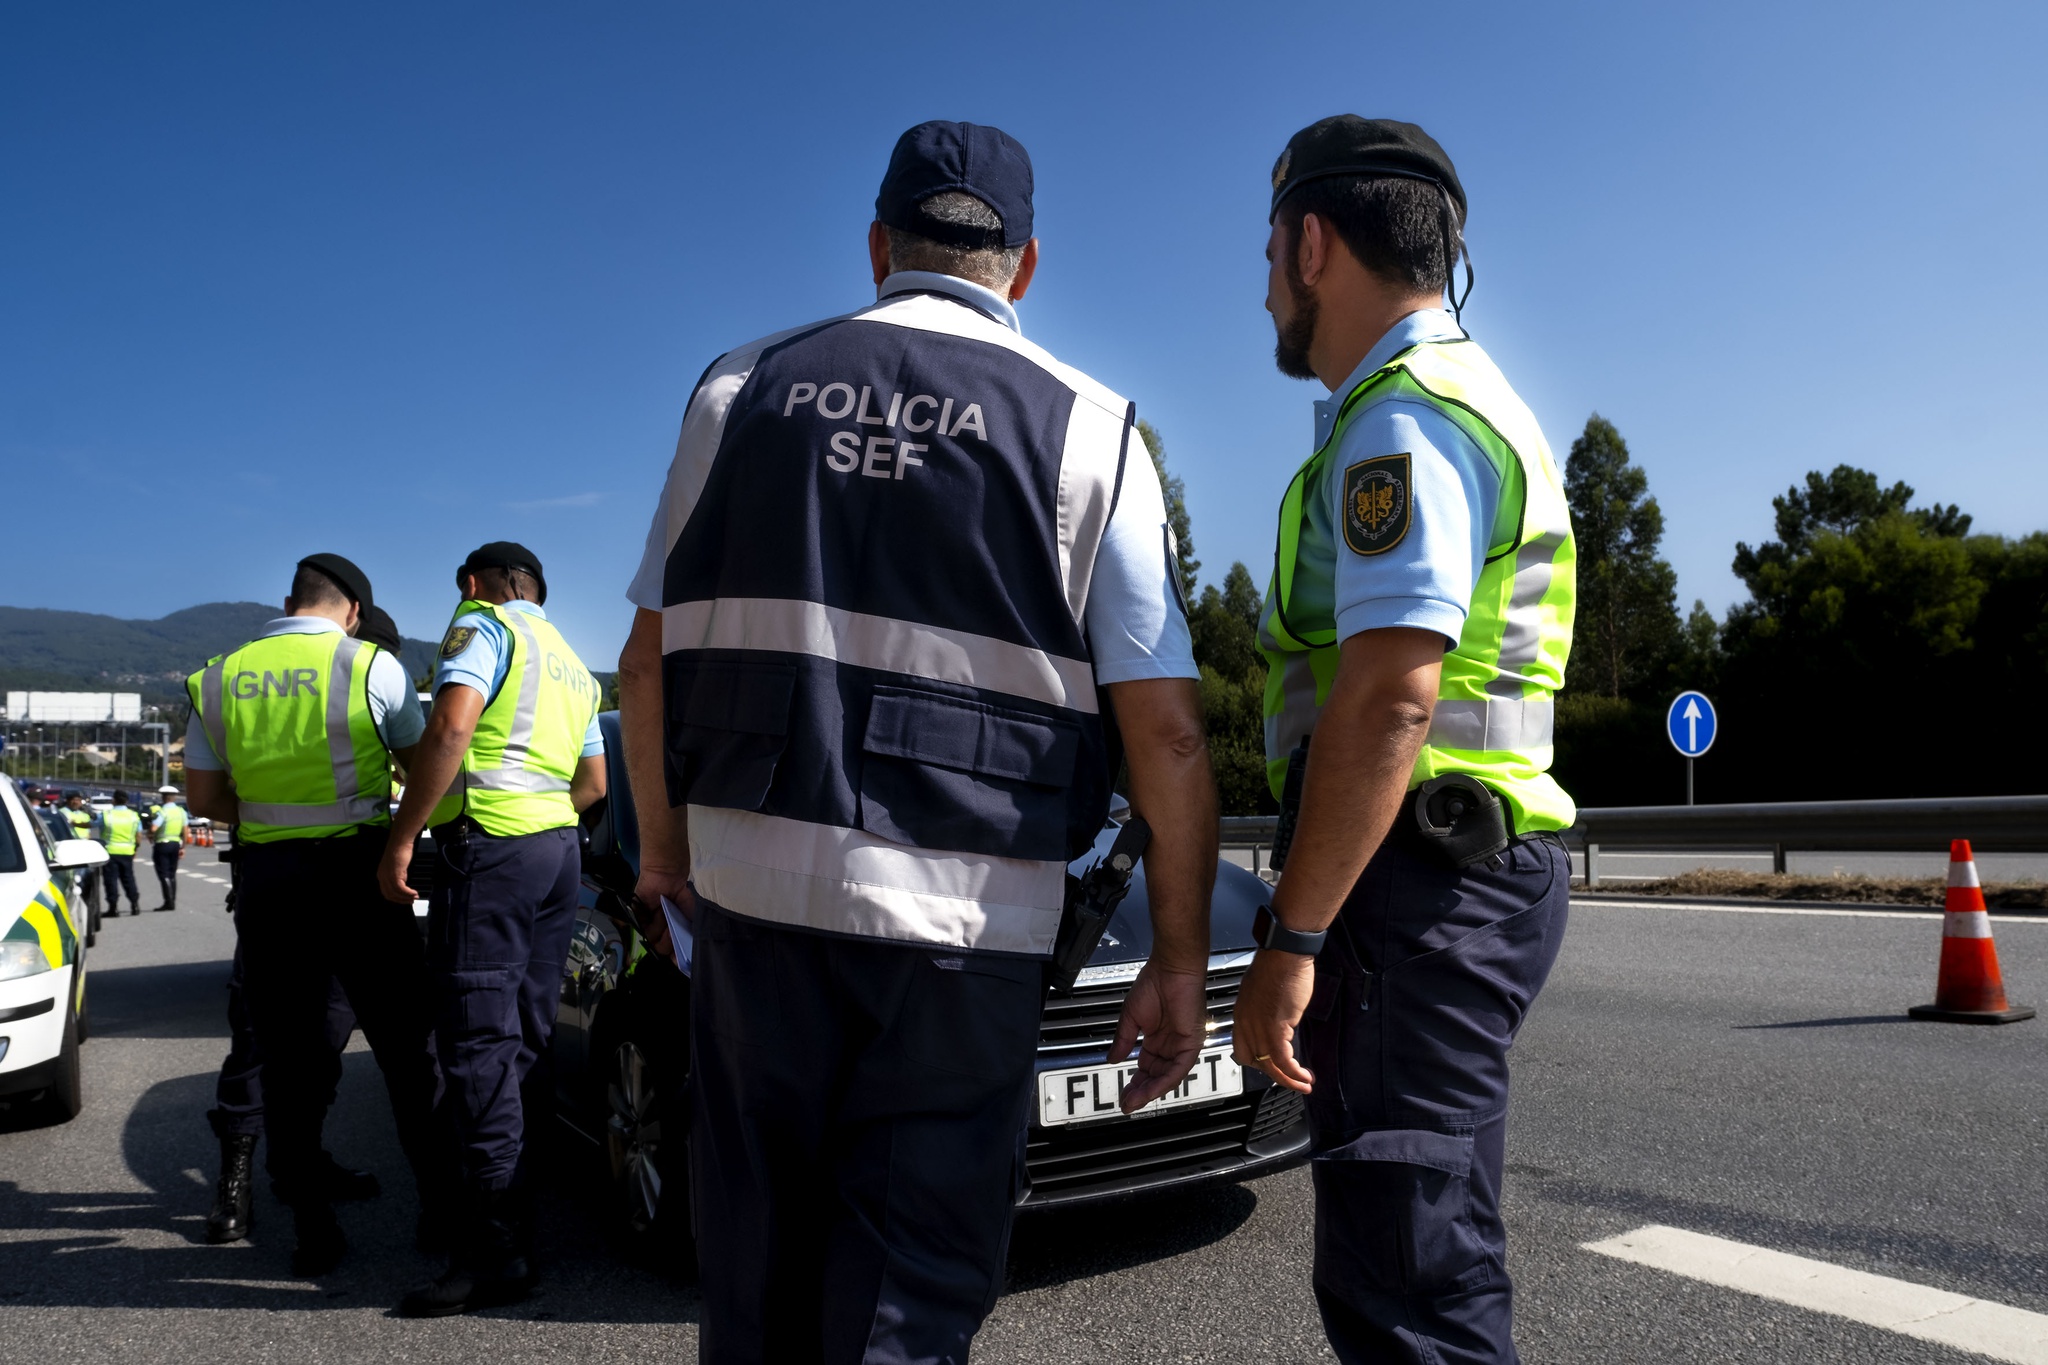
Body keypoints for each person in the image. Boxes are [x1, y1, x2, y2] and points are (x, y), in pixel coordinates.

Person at [616, 120, 1220, 1364]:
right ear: (1026, 263)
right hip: (967, 922)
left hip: (753, 902)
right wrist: (1173, 949)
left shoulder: (737, 387)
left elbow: (644, 664)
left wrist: (666, 853)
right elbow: (1161, 731)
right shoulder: (1091, 427)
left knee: (756, 1281)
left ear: (880, 243)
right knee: (904, 1299)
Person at [1227, 117, 1578, 1365]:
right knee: (1418, 1248)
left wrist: (1293, 935)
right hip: (1460, 871)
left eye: (1268, 249)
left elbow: (1387, 696)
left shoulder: (1399, 418)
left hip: (1417, 884)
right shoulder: (1467, 398)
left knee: (1404, 1285)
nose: (1263, 281)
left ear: (1312, 243)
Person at [184, 552, 445, 1277]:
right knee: (405, 1049)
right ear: (354, 610)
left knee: (290, 1061)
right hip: (359, 875)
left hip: (270, 882)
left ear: (289, 601)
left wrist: (275, 820)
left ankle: (312, 1229)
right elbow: (428, 771)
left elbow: (204, 801)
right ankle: (439, 1208)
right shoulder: (369, 668)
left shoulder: (216, 677)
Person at [377, 541, 606, 1317]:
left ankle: (494, 1250)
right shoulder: (572, 659)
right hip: (556, 854)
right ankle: (523, 1223)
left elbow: (449, 729)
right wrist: (544, 825)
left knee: (475, 1048)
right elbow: (596, 781)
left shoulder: (484, 625)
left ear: (476, 583)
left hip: (494, 852)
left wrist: (403, 835)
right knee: (528, 1039)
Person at [99, 791, 143, 916]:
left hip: (110, 852)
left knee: (111, 880)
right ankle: (135, 905)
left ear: (113, 800)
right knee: (128, 879)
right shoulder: (134, 816)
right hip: (127, 852)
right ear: (127, 801)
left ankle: (113, 908)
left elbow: (92, 824)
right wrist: (135, 849)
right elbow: (138, 835)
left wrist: (75, 823)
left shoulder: (107, 815)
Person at [148, 785, 188, 911]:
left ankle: (168, 902)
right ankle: (172, 901)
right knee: (172, 874)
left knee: (163, 874)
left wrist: (150, 835)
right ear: (174, 798)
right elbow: (186, 830)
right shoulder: (181, 811)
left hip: (162, 844)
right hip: (176, 844)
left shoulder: (163, 811)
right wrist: (183, 847)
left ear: (164, 797)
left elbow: (154, 828)